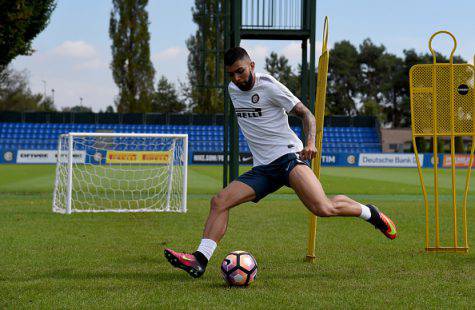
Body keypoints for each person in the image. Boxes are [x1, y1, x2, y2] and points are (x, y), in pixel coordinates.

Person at [164, 47, 397, 278]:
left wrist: (310, 142)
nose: (236, 78)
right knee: (219, 202)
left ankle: (370, 213)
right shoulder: (233, 89)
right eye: (231, 74)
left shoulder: (269, 86)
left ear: (252, 65)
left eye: (241, 71)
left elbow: (307, 114)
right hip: (263, 168)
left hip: (288, 157)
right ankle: (200, 259)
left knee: (322, 208)